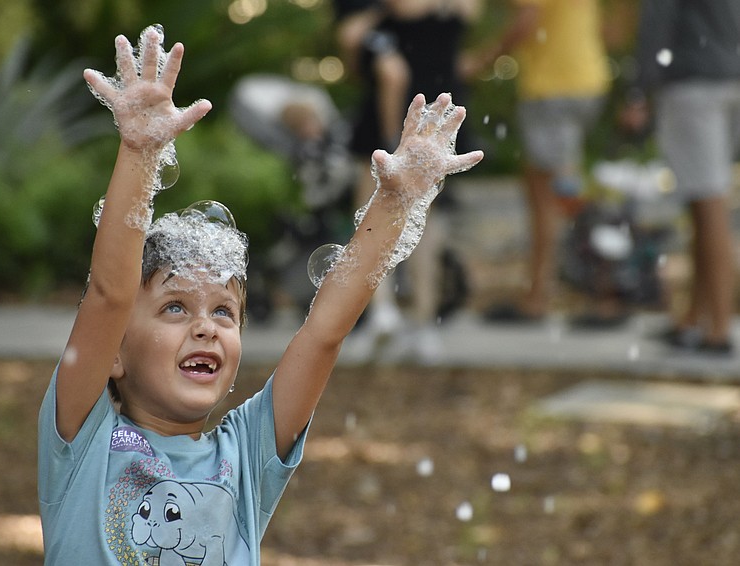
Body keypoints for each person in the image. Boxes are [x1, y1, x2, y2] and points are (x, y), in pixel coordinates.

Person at [37, 25, 483, 564]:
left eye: (224, 312)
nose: (206, 327)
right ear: (113, 354)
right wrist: (140, 149)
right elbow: (110, 293)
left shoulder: (246, 454)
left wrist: (396, 204)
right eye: (175, 307)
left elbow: (323, 332)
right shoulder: (83, 439)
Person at [339, 0, 482, 361]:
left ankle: (419, 318)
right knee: (372, 213)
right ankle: (382, 313)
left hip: (434, 98)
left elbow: (463, 11)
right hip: (395, 103)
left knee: (423, 218)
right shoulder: (383, 32)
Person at [462, 0, 613, 325]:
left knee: (557, 193)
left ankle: (603, 286)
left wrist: (480, 60)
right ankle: (543, 291)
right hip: (585, 78)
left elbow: (526, 21)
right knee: (549, 188)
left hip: (553, 89)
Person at [620, 0, 740, 354]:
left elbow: (657, 22)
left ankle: (717, 329)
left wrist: (638, 92)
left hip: (693, 85)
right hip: (729, 78)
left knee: (709, 206)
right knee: (703, 204)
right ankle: (694, 317)